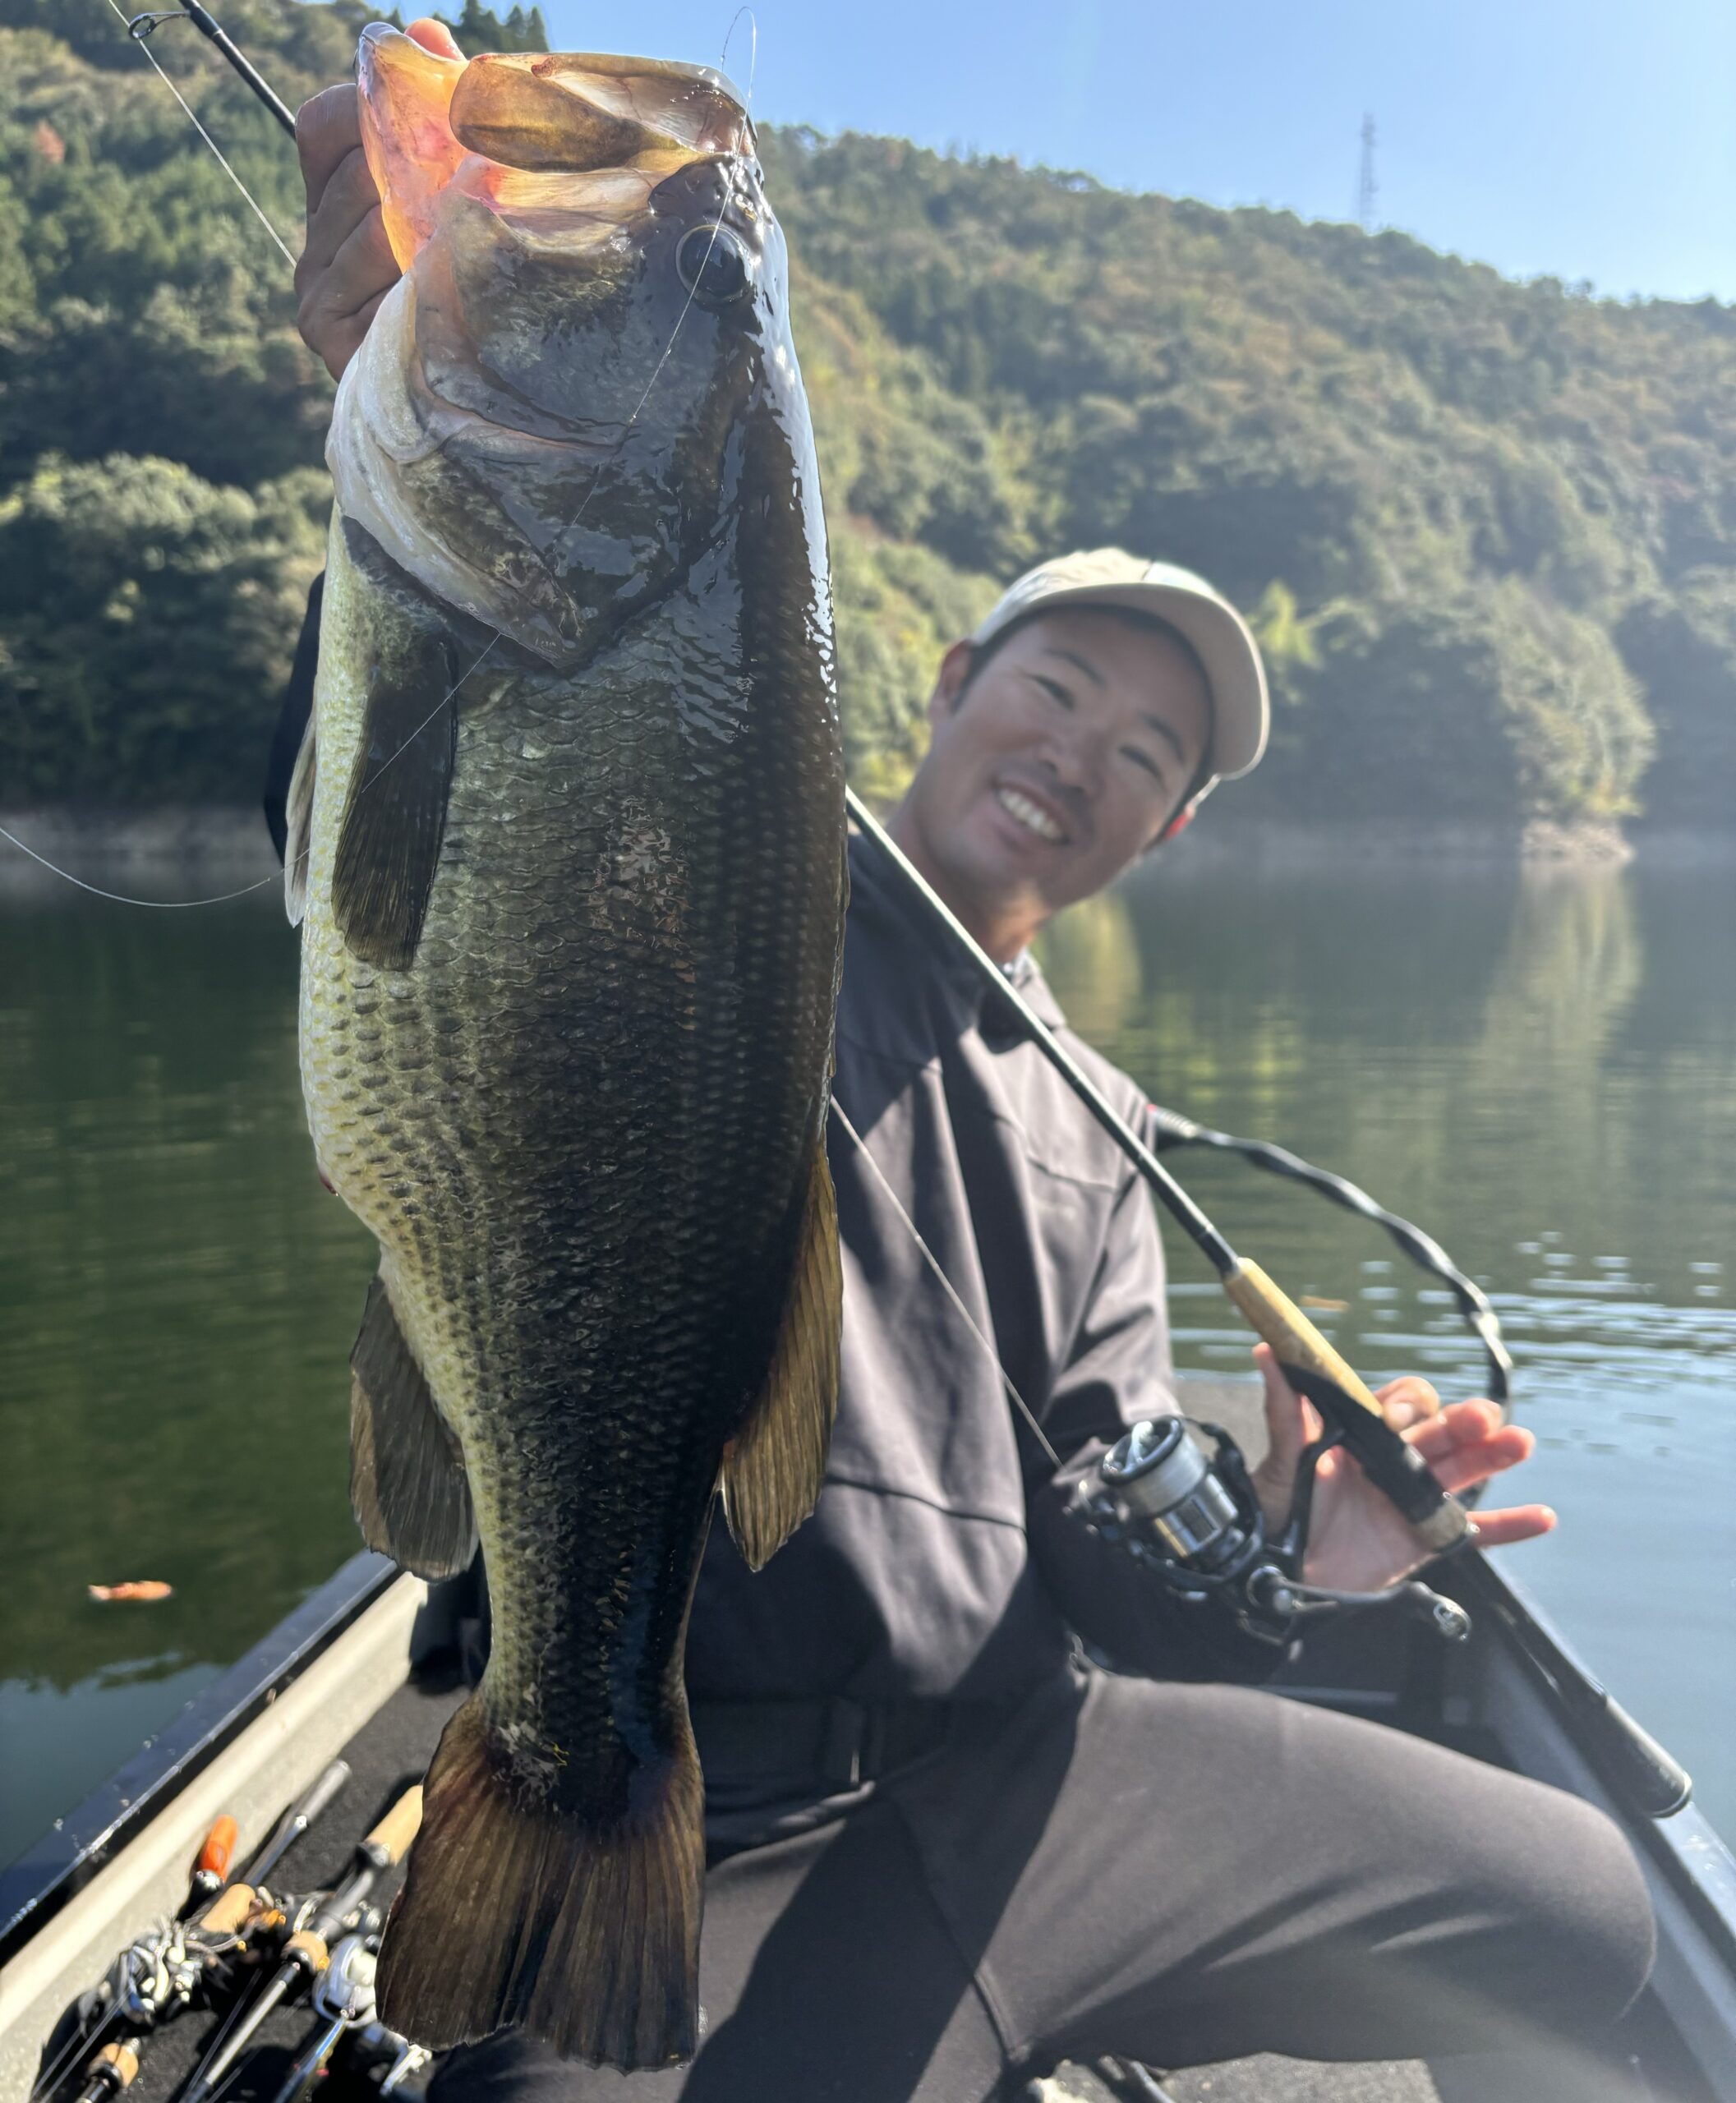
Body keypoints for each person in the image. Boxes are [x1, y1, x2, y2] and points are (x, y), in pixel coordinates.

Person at [283, 28, 1655, 2098]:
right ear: (938, 684)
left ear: (1162, 829)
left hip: (1030, 1784)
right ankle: (578, 1779)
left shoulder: (1102, 1132)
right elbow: (404, 833)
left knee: (1588, 1910)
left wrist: (1301, 1551)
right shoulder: (753, 869)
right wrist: (389, 378)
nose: (1083, 755)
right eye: (1062, 686)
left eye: (1147, 751)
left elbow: (1105, 1546)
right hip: (719, 1788)